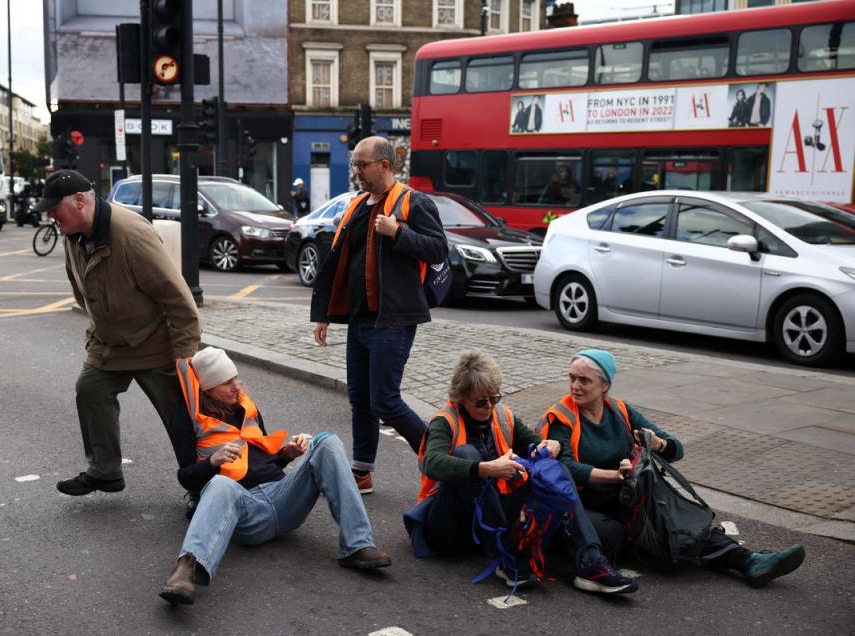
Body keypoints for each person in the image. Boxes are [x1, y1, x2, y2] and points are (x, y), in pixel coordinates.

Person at [542, 349, 805, 588]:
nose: (575, 386)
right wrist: (614, 476)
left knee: (677, 525)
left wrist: (658, 443)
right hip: (584, 505)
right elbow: (565, 467)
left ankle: (748, 560)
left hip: (626, 498)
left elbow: (676, 449)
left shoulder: (619, 410)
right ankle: (663, 551)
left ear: (605, 385)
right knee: (621, 536)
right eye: (572, 378)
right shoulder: (561, 417)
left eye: (584, 380)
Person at [159, 347, 391, 605]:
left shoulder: (247, 406)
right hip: (245, 510)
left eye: (235, 378)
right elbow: (187, 478)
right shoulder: (186, 418)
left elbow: (268, 460)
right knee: (221, 483)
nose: (236, 387)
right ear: (207, 389)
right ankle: (186, 570)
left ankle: (358, 546)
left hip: (283, 498)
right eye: (226, 383)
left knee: (327, 441)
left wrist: (287, 454)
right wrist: (212, 462)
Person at [410, 350, 638, 593]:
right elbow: (432, 462)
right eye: (480, 401)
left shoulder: (503, 415)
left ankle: (590, 563)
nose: (489, 406)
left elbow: (535, 443)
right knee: (465, 453)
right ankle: (509, 555)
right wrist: (487, 469)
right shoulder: (444, 421)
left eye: (494, 398)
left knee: (553, 469)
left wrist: (551, 446)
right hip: (449, 525)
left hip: (491, 518)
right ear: (460, 397)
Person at [34, 170, 202, 499]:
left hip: (153, 343)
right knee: (90, 389)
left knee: (179, 418)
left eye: (55, 208)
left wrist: (184, 354)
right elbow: (82, 289)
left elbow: (178, 299)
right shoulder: (73, 234)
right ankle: (105, 471)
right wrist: (98, 331)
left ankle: (202, 485)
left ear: (80, 201)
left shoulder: (131, 234)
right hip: (109, 343)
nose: (50, 216)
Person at [311, 136, 448, 495]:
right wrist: (323, 313)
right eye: (355, 164)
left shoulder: (413, 202)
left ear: (384, 165)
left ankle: (440, 461)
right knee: (359, 399)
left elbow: (438, 249)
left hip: (394, 318)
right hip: (359, 319)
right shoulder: (357, 205)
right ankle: (362, 471)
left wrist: (398, 231)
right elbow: (337, 261)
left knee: (385, 399)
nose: (356, 171)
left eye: (361, 164)